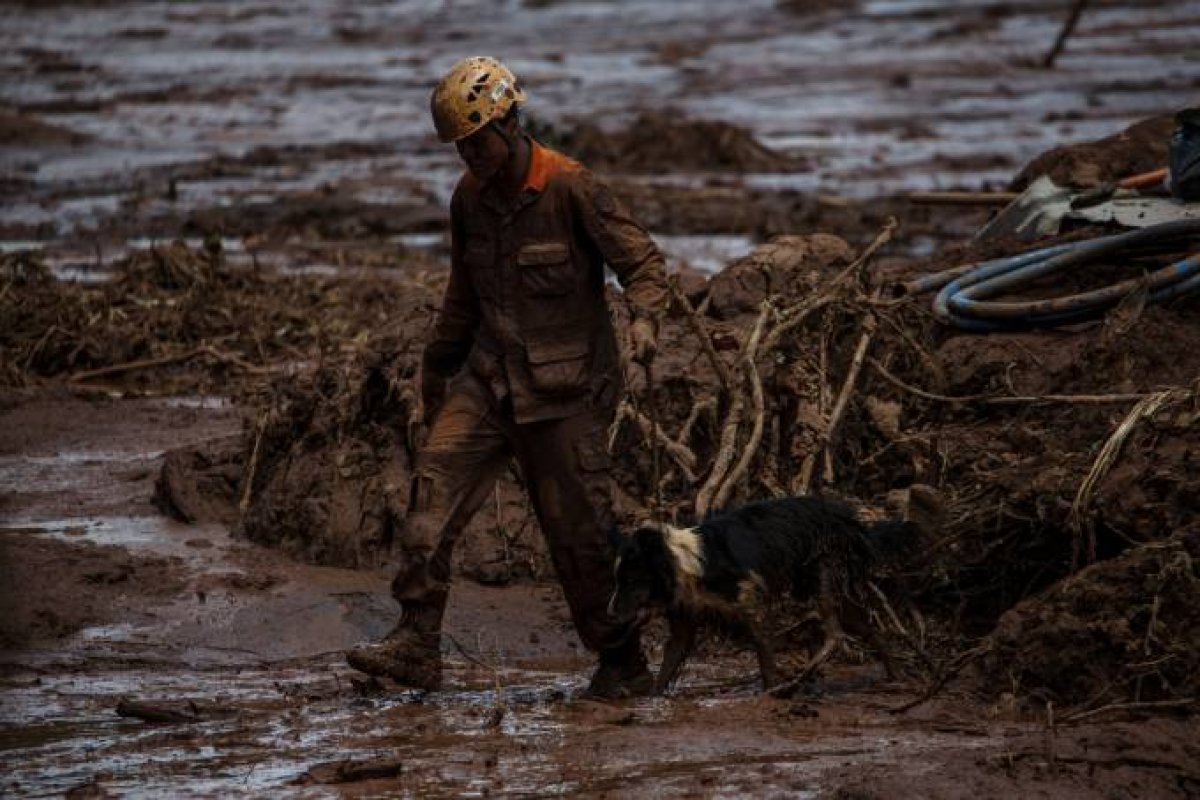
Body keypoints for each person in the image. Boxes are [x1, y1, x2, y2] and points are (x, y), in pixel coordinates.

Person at [347, 56, 668, 699]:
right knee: (428, 499)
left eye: (477, 140)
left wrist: (644, 328)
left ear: (511, 121)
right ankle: (416, 643)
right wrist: (435, 369)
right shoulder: (468, 200)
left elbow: (645, 266)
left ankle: (623, 663)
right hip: (487, 382)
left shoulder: (572, 187)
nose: (469, 155)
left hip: (566, 393)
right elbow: (461, 298)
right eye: (459, 146)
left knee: (579, 543)